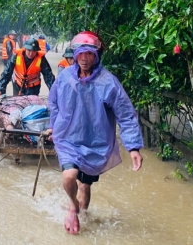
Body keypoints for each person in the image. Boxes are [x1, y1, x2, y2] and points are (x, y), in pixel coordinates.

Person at [46, 31, 144, 235]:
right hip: (68, 138)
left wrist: (133, 146)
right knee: (69, 176)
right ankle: (73, 207)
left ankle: (83, 217)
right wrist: (54, 126)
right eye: (81, 53)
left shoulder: (108, 82)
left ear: (97, 55)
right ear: (75, 54)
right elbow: (54, 102)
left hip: (95, 143)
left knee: (85, 187)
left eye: (89, 54)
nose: (84, 58)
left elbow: (126, 114)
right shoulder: (65, 77)